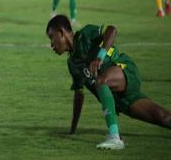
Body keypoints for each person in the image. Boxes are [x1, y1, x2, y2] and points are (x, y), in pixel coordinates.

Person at [46, 14, 171, 150]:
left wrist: (100, 57)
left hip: (125, 69)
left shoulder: (85, 35)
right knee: (163, 118)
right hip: (119, 99)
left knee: (101, 81)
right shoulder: (72, 64)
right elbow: (79, 94)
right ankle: (115, 134)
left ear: (61, 32)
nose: (51, 45)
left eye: (52, 38)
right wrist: (73, 128)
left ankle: (114, 137)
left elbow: (112, 30)